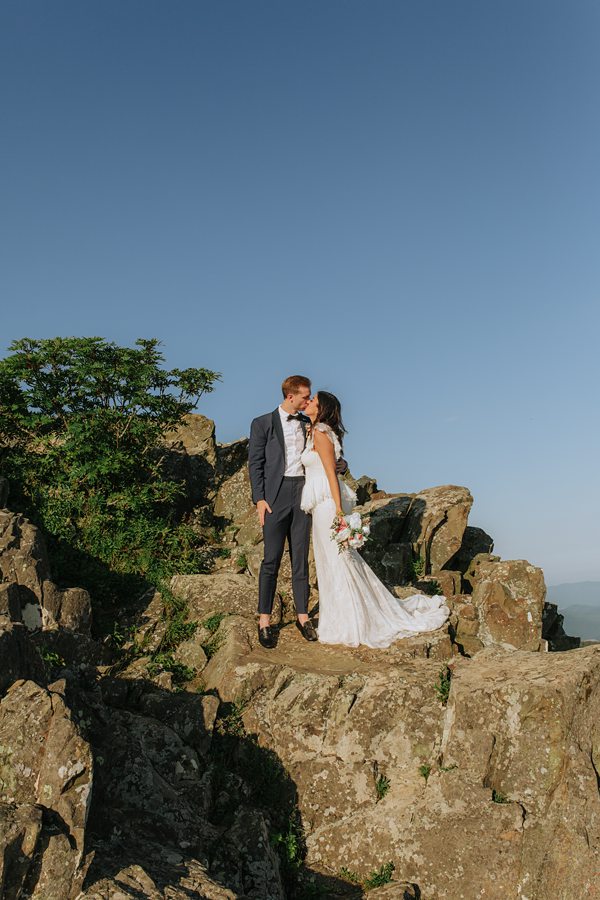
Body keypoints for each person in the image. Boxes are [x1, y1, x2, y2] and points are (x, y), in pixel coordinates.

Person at [300, 391, 450, 648]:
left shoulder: (321, 433)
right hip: (322, 503)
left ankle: (350, 620)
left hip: (327, 504)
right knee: (334, 560)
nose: (308, 402)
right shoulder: (314, 431)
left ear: (321, 408)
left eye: (313, 400)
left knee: (337, 561)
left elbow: (330, 475)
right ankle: (343, 615)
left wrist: (338, 510)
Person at [248, 375, 347, 649]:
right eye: (305, 396)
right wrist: (259, 499)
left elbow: (331, 454)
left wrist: (342, 465)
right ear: (290, 396)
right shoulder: (262, 423)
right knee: (271, 560)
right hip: (274, 498)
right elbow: (255, 464)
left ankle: (303, 617)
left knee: (300, 558)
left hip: (303, 495)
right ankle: (265, 621)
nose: (308, 400)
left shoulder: (311, 424)